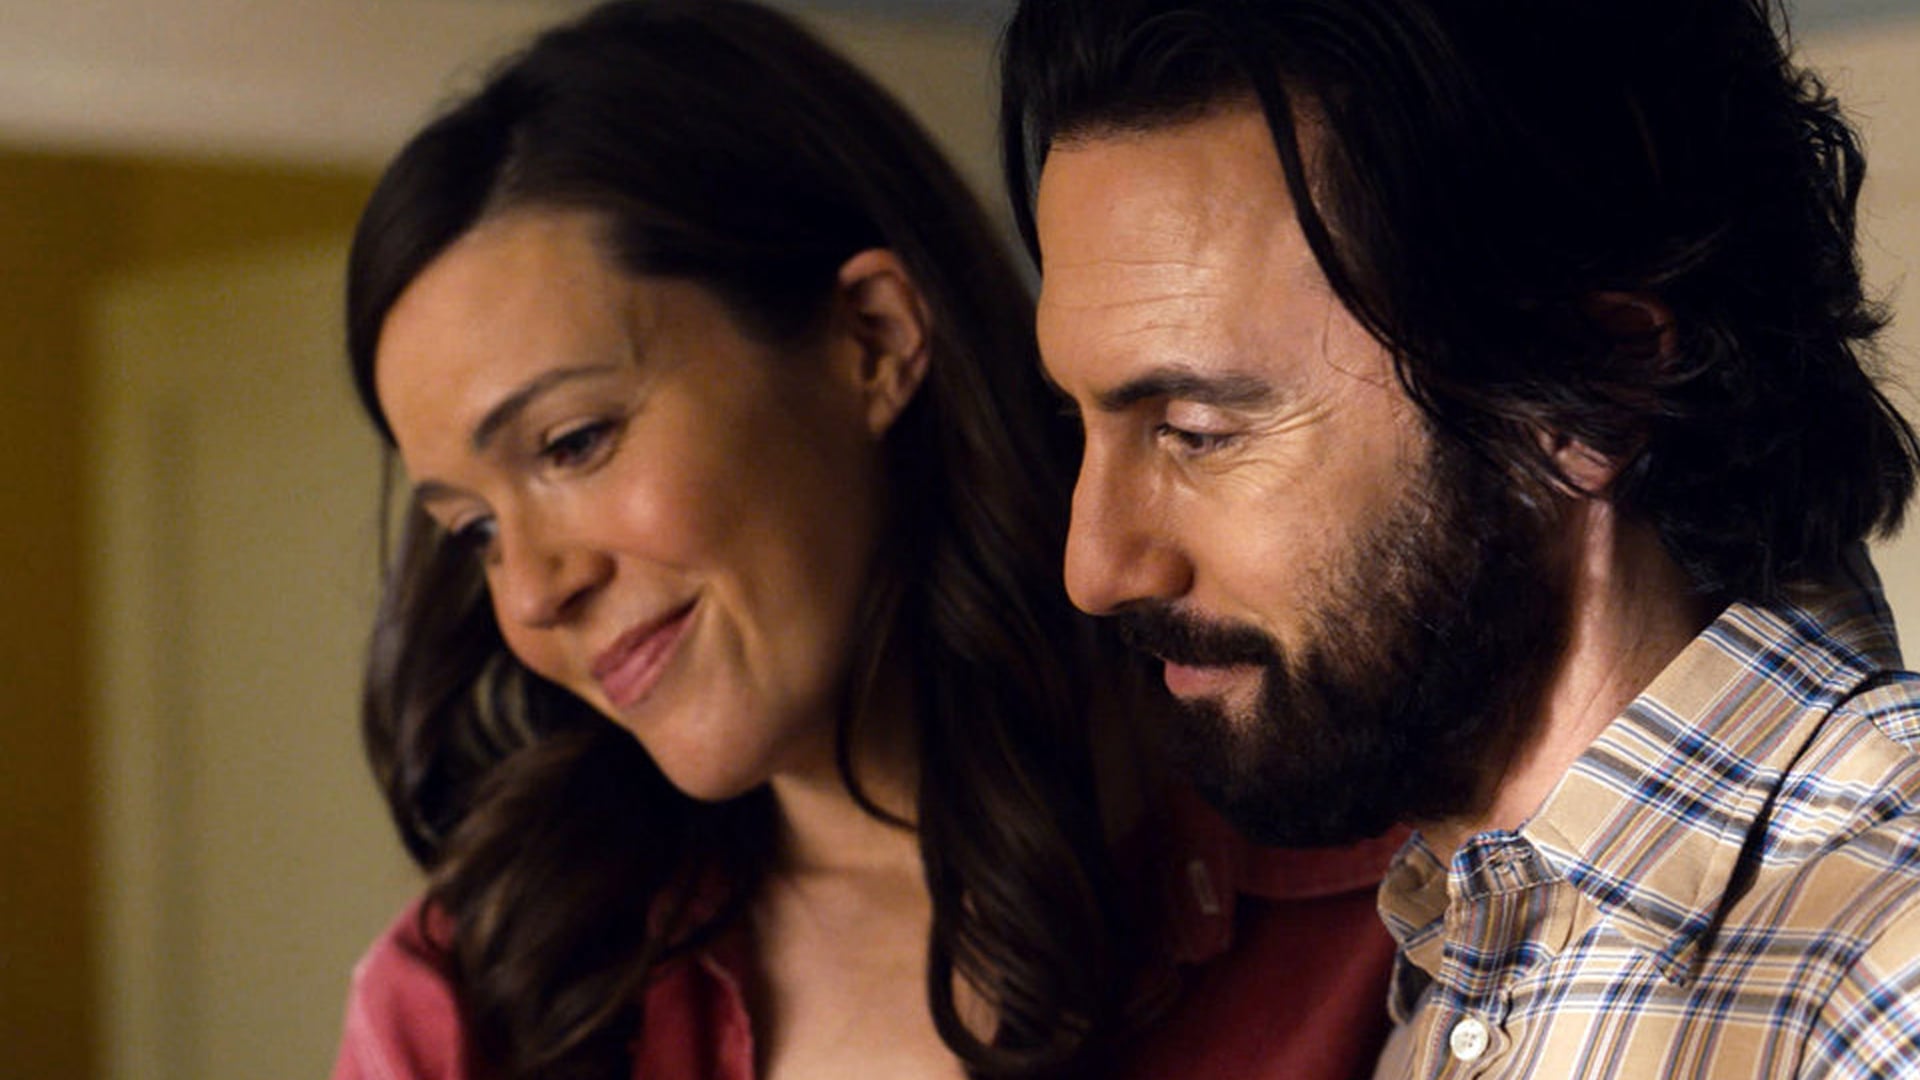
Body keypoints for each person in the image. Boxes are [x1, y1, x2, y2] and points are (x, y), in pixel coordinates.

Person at [329, 1, 1400, 1078]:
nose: (530, 594)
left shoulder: (1384, 893)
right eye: (474, 530)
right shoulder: (463, 1011)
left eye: (573, 443)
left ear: (872, 339)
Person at [1000, 0, 1920, 1076]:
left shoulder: (1890, 986)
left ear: (1587, 397)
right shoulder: (1462, 946)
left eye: (1198, 432)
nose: (1096, 568)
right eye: (1079, 423)